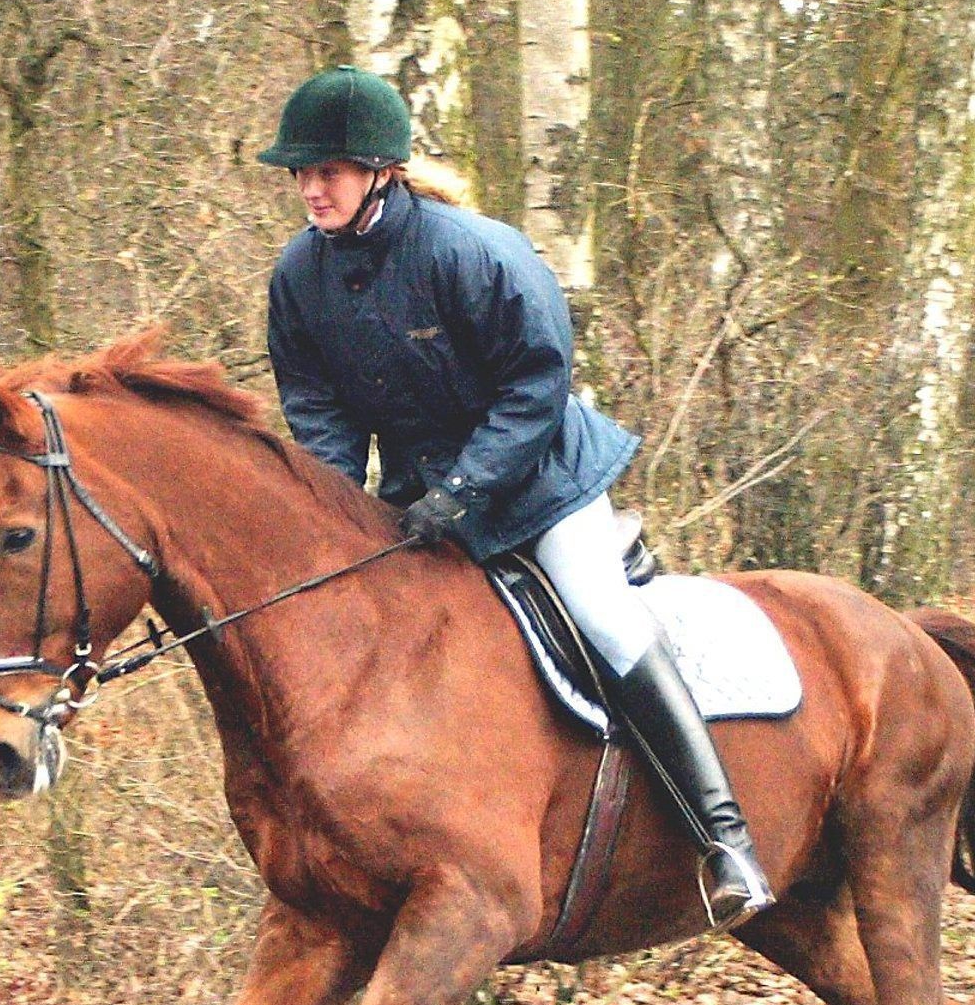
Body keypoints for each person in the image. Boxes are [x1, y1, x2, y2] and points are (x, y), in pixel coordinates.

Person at [258, 65, 772, 929]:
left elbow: (536, 385)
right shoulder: (297, 278)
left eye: (330, 171)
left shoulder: (472, 251)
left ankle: (725, 840)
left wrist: (463, 490)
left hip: (541, 483)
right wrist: (338, 512)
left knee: (604, 617)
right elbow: (321, 412)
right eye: (302, 173)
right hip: (420, 498)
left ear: (381, 169)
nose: (312, 188)